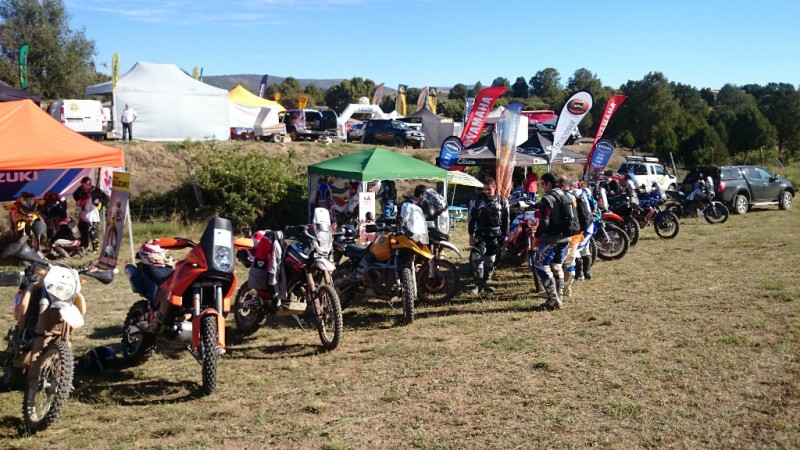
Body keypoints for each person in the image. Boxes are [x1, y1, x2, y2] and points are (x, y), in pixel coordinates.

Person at [533, 173, 575, 310]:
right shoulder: (566, 196)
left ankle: (553, 299)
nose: (542, 186)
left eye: (543, 183)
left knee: (540, 264)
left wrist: (537, 236)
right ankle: (559, 295)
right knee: (556, 265)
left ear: (549, 183)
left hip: (552, 238)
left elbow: (545, 222)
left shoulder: (548, 198)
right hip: (566, 237)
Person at [467, 176, 509, 294]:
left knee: (490, 260)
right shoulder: (477, 200)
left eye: (488, 189)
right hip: (481, 233)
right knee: (476, 258)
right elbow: (471, 219)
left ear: (495, 187)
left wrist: (506, 236)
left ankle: (486, 283)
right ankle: (478, 285)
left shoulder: (503, 201)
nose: (485, 192)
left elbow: (506, 220)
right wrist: (471, 235)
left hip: (495, 235)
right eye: (484, 189)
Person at [73, 176, 108, 253]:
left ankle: (95, 249)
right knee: (82, 230)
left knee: (93, 232)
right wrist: (78, 200)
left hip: (92, 214)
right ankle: (84, 246)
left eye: (84, 185)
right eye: (82, 185)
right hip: (83, 213)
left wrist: (100, 205)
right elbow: (75, 194)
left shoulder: (96, 190)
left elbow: (106, 199)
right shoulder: (80, 189)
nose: (83, 187)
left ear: (89, 184)